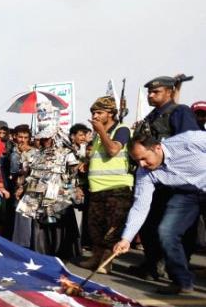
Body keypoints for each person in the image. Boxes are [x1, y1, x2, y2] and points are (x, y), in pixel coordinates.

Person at [113, 131, 206, 295]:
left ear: (157, 148)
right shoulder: (144, 173)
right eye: (136, 161)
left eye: (143, 158)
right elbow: (140, 206)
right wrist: (126, 238)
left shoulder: (189, 141)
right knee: (166, 232)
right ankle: (182, 281)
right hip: (186, 194)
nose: (141, 164)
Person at [130, 76, 200, 280]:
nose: (151, 95)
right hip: (155, 181)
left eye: (156, 92)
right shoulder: (152, 116)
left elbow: (189, 144)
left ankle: (177, 271)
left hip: (177, 182)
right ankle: (152, 265)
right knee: (151, 226)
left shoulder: (180, 112)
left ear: (169, 92)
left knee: (177, 229)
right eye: (149, 92)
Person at [78, 97, 133, 273]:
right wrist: (87, 163)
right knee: (95, 227)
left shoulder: (121, 129)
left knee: (112, 229)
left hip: (116, 188)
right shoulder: (96, 135)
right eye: (93, 112)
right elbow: (99, 156)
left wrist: (101, 131)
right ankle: (96, 257)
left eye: (99, 112)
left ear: (111, 114)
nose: (95, 116)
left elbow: (113, 150)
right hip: (97, 188)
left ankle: (106, 261)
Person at [15, 127, 81, 259]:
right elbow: (29, 174)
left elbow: (74, 174)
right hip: (38, 197)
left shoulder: (67, 153)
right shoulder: (36, 154)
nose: (44, 141)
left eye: (47, 138)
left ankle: (60, 255)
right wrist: (21, 187)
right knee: (40, 226)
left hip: (60, 197)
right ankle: (41, 255)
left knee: (58, 224)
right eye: (43, 138)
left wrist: (76, 188)